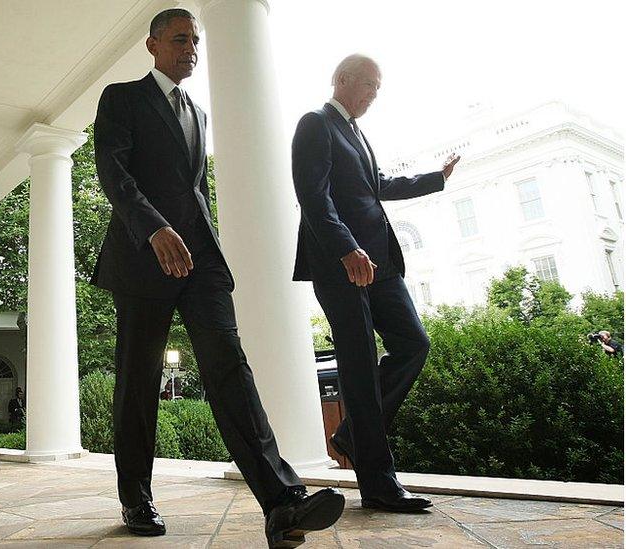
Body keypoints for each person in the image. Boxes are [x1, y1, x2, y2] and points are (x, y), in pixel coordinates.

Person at [91, 9, 344, 545]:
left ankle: (281, 503)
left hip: (200, 262)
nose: (191, 48)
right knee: (138, 384)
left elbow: (196, 189)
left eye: (196, 40)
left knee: (231, 369)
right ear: (153, 43)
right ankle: (136, 496)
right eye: (181, 39)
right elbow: (113, 172)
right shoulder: (121, 98)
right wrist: (154, 229)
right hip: (143, 259)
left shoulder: (197, 113)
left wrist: (209, 247)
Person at [291, 53, 460, 513]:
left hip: (381, 265)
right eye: (369, 85)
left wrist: (433, 179)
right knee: (361, 366)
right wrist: (347, 249)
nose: (373, 95)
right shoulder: (315, 124)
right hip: (341, 265)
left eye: (377, 88)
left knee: (413, 344)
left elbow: (377, 184)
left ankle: (350, 434)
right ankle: (380, 485)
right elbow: (313, 195)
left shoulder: (358, 134)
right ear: (342, 79)